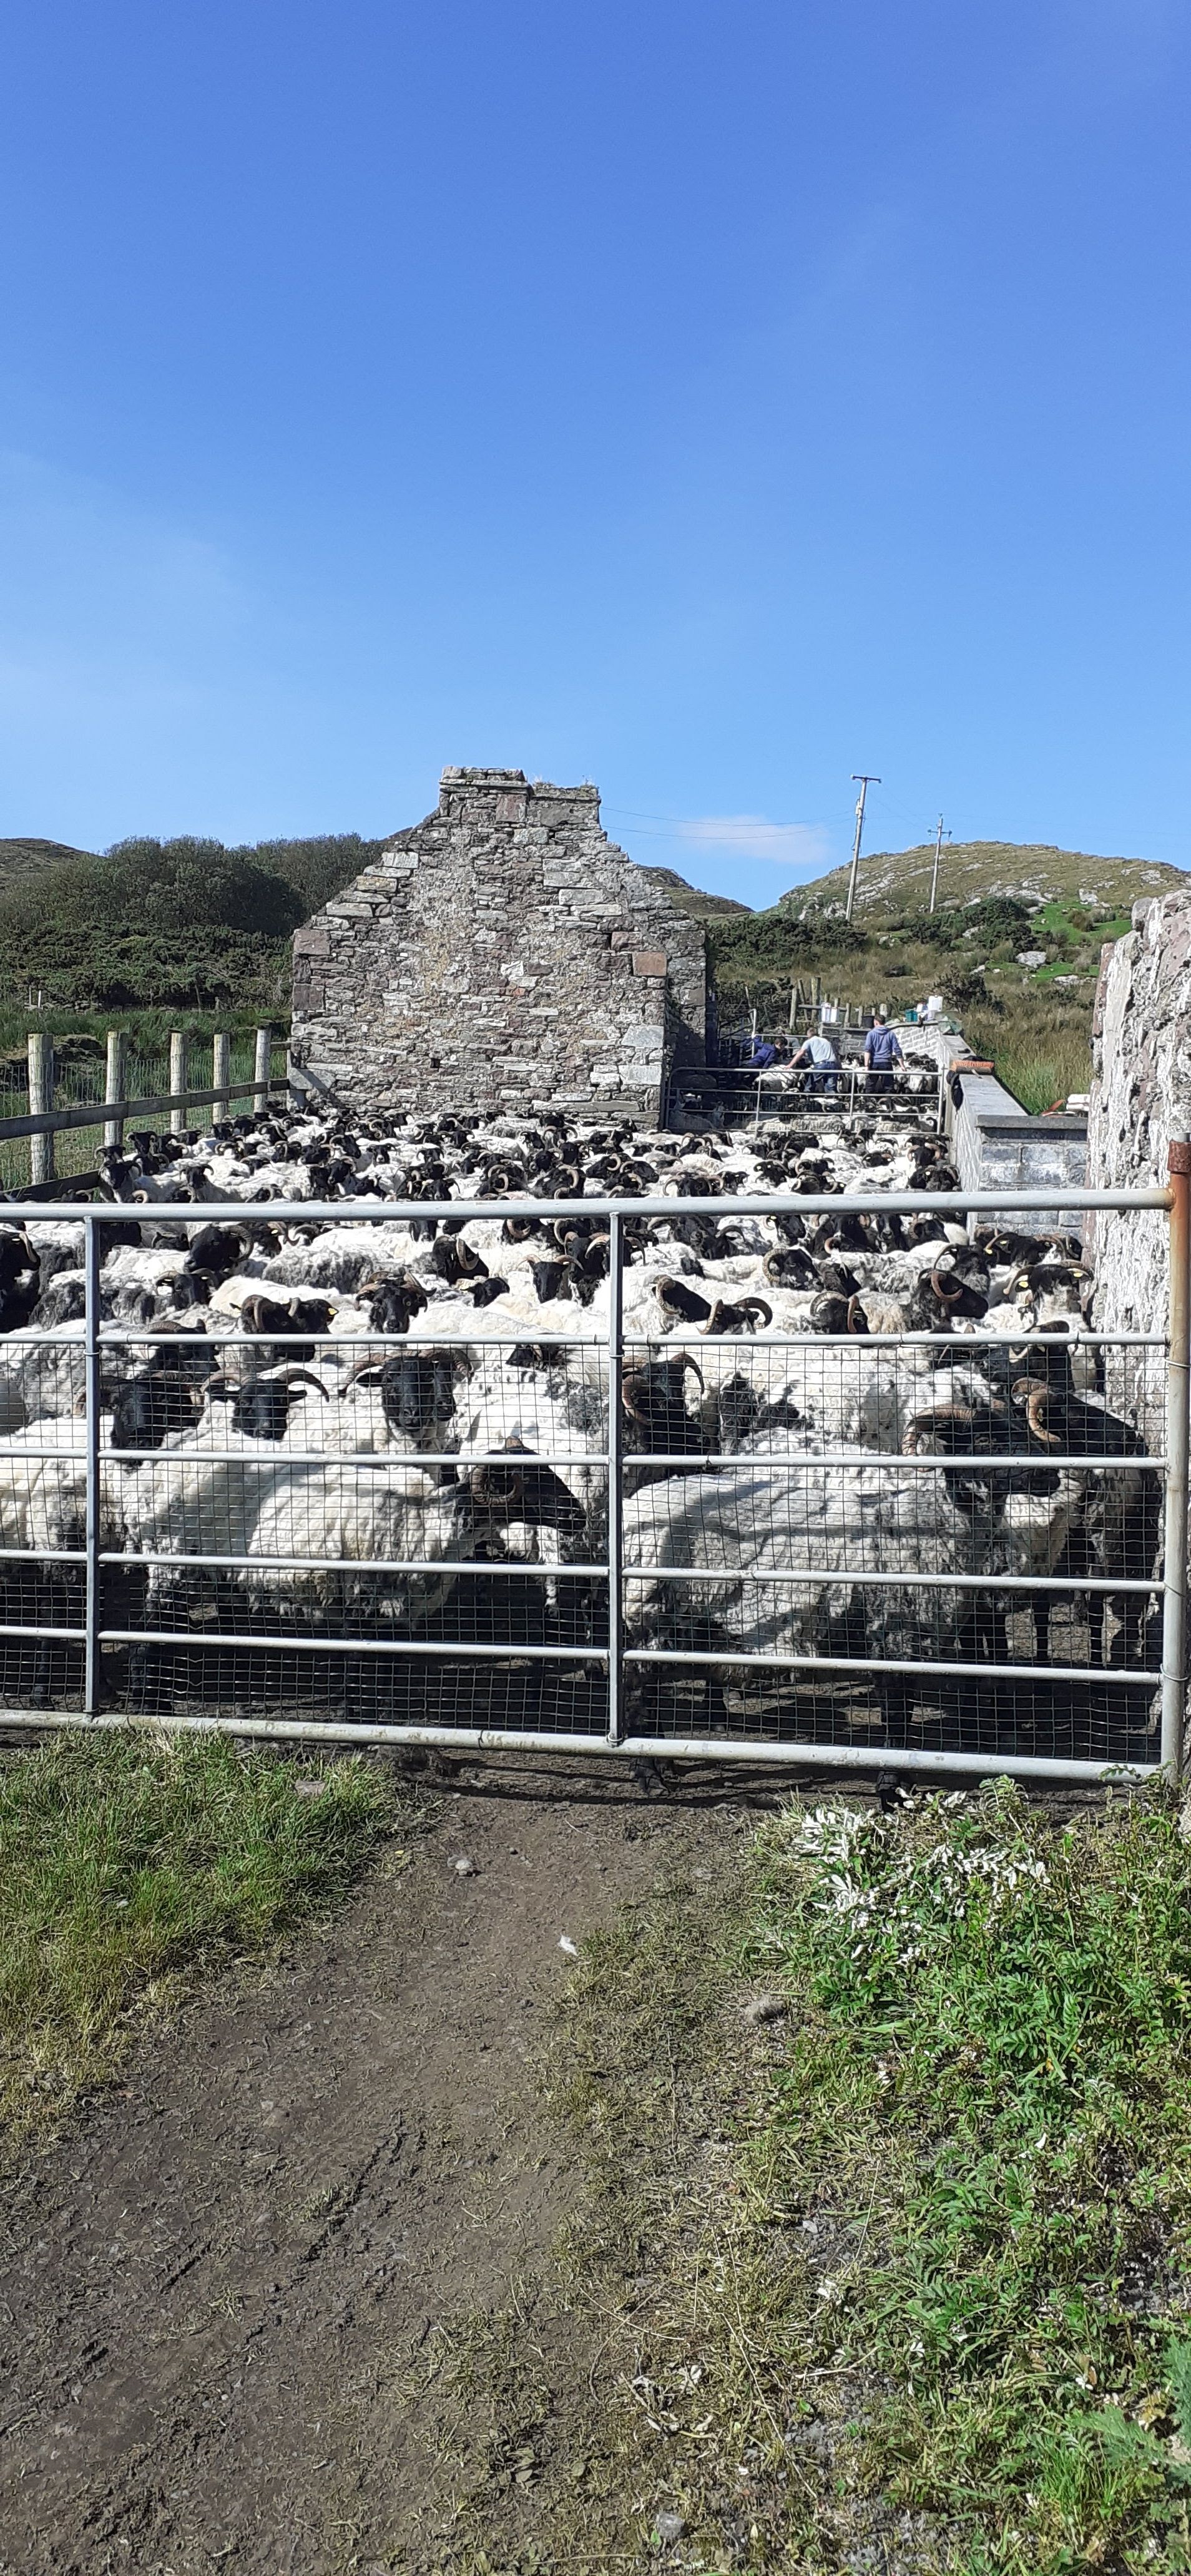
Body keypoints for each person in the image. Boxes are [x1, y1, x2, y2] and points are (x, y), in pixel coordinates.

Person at [790, 1030, 840, 1097]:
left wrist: (790, 1065)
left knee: (811, 1082)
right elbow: (835, 1054)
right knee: (830, 1086)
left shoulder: (809, 1042)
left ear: (808, 1035)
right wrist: (840, 1067)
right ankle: (831, 1100)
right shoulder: (826, 1041)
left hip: (821, 1065)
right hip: (833, 1065)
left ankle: (806, 1097)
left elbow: (801, 1053)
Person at [863, 1012, 903, 1095]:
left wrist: (866, 1066)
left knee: (870, 1087)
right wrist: (902, 1065)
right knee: (888, 1088)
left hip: (874, 1064)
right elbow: (897, 1050)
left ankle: (868, 1101)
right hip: (886, 1063)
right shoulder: (891, 1034)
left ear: (876, 1022)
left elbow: (868, 1050)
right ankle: (888, 1101)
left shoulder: (871, 1034)